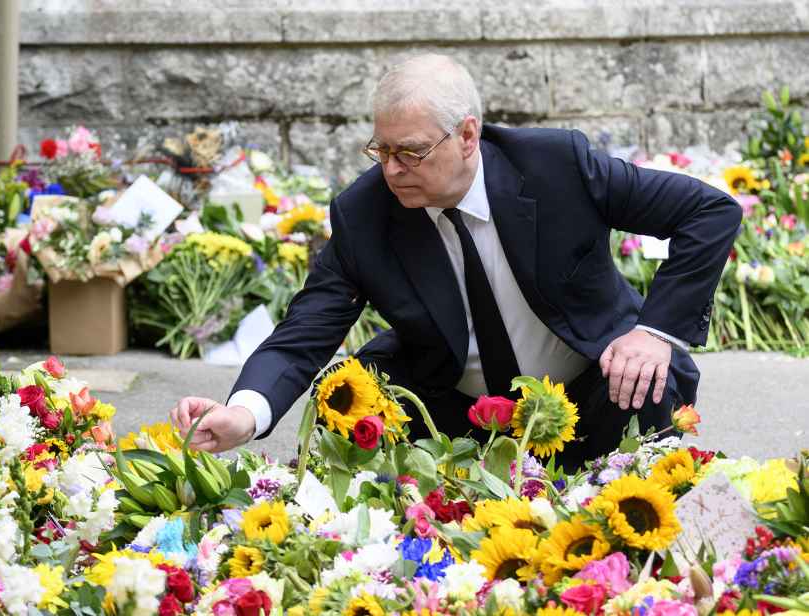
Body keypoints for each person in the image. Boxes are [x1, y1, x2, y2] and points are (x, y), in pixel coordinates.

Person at [171, 54, 741, 470]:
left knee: (645, 380)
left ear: (468, 135)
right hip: (448, 410)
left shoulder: (555, 165)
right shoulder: (364, 213)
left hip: (590, 392)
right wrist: (244, 415)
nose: (392, 170)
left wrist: (654, 331)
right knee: (346, 398)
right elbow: (305, 332)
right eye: (382, 150)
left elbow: (709, 212)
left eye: (412, 151)